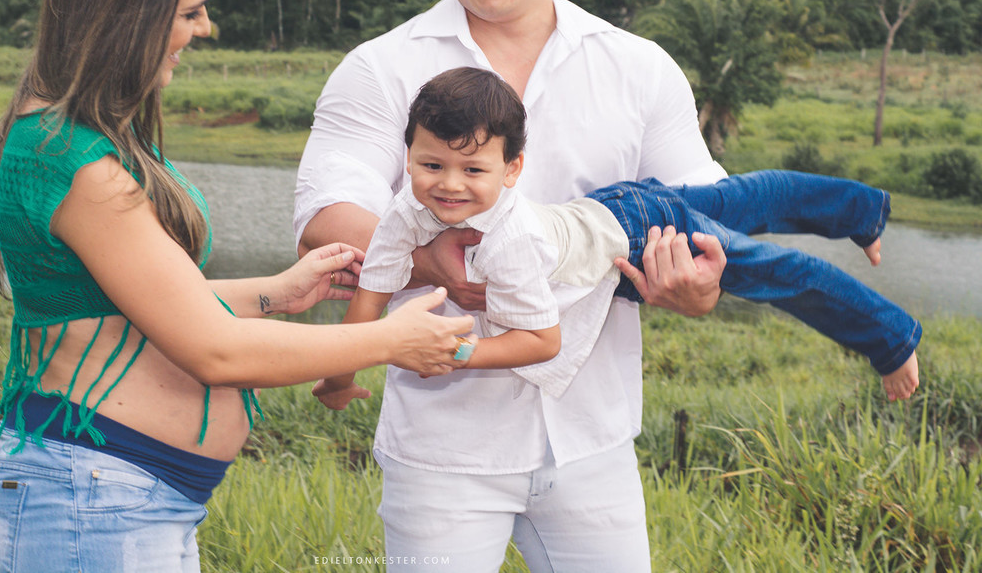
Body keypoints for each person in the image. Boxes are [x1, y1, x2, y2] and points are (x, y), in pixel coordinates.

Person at [0, 0, 475, 573]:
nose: (204, 27)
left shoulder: (79, 138)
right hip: (89, 505)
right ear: (127, 10)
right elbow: (217, 352)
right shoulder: (75, 159)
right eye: (189, 11)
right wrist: (393, 339)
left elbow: (137, 302)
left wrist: (277, 290)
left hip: (121, 500)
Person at [294, 0, 731, 573]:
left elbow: (704, 210)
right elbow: (324, 211)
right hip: (443, 444)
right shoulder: (381, 66)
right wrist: (430, 259)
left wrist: (698, 283)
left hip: (593, 436)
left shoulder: (637, 67)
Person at [314, 67, 921, 417]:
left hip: (637, 234)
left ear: (513, 170)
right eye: (430, 165)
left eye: (473, 171)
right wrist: (340, 374)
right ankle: (865, 212)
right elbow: (373, 291)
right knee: (749, 198)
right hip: (609, 206)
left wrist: (458, 352)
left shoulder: (508, 241)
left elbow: (541, 340)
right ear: (410, 155)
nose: (447, 186)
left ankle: (890, 340)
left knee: (776, 270)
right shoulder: (402, 209)